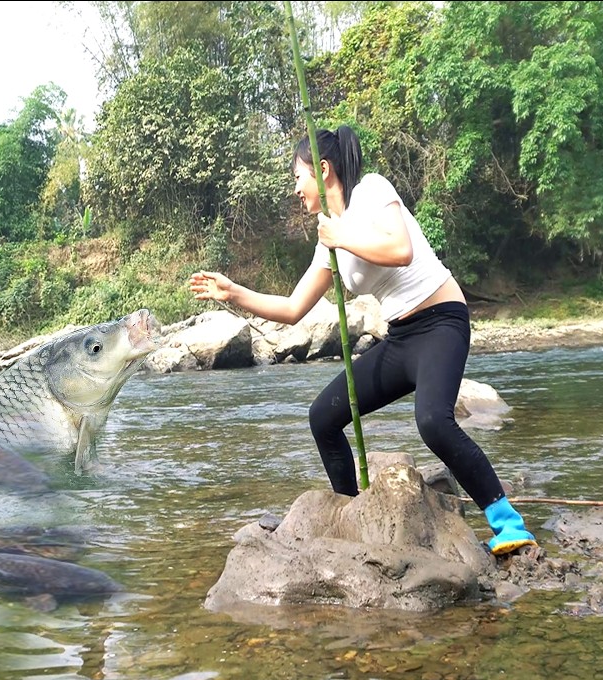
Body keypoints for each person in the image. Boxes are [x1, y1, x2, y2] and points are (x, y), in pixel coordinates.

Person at [188, 125, 536, 556]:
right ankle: (354, 515)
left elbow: (400, 250)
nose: (295, 188)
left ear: (324, 170)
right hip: (402, 338)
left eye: (298, 176)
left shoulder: (371, 190)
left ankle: (508, 524)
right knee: (323, 418)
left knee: (433, 422)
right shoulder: (328, 236)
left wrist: (342, 236)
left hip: (443, 322)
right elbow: (294, 308)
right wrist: (235, 293)